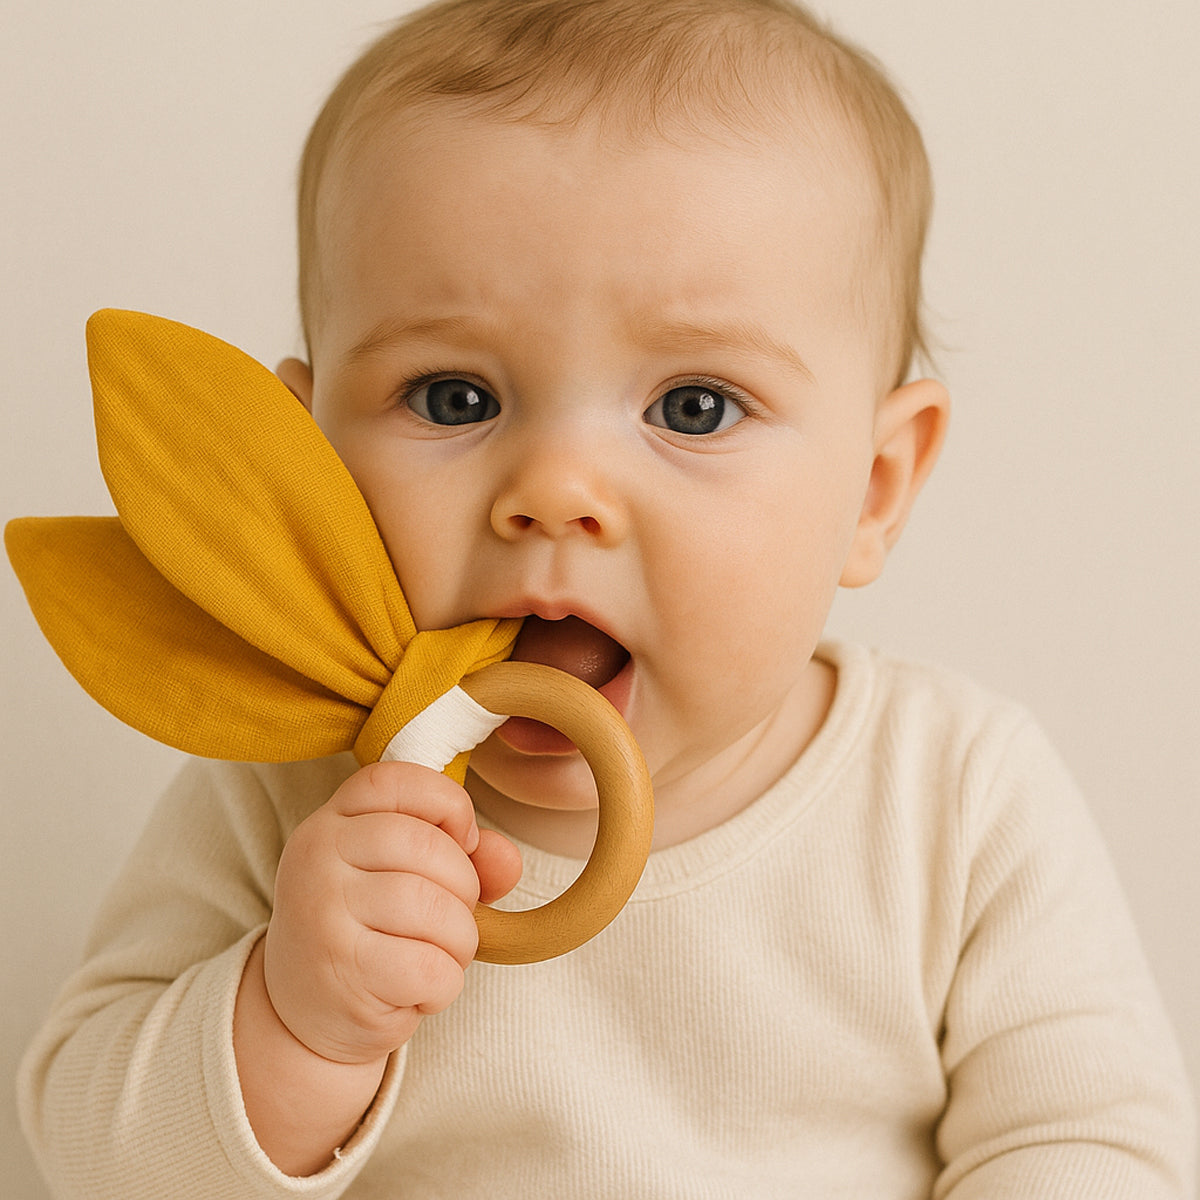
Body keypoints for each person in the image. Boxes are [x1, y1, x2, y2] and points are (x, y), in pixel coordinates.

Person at [17, 0, 1195, 1196]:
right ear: (304, 459)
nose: (556, 492)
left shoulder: (951, 795)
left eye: (695, 407)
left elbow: (1094, 1147)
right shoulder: (284, 791)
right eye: (453, 398)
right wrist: (292, 1023)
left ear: (876, 487)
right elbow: (84, 1156)